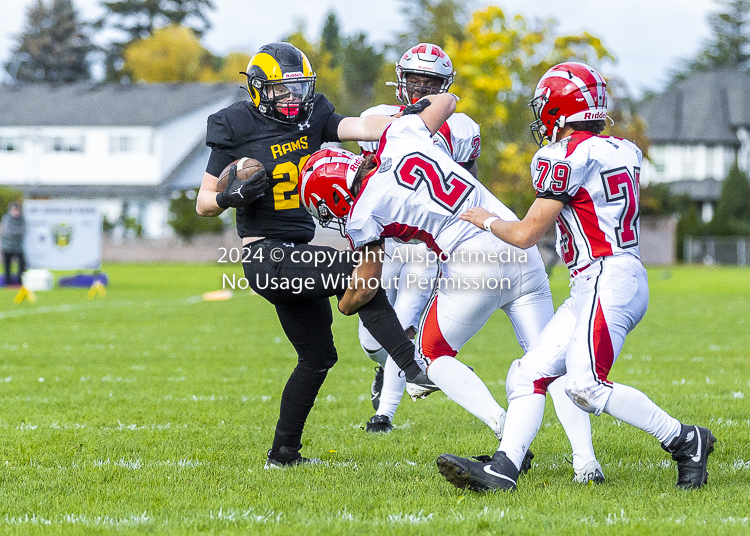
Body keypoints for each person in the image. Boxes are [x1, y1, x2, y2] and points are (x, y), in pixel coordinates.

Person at [436, 62, 716, 492]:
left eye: (545, 105)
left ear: (560, 109)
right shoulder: (623, 149)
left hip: (607, 277)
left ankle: (685, 439)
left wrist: (488, 221)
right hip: (604, 277)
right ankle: (503, 468)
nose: (541, 115)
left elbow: (527, 233)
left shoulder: (562, 155)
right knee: (526, 374)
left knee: (584, 385)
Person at [299, 92, 605, 483]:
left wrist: (343, 305)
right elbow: (448, 100)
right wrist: (411, 112)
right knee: (549, 361)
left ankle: (503, 429)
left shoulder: (361, 214)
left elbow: (365, 286)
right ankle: (586, 463)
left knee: (428, 357)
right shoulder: (401, 133)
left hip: (472, 260)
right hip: (510, 235)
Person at [196, 42, 426, 469]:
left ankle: (283, 455)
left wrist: (406, 118)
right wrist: (229, 196)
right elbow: (203, 203)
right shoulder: (234, 125)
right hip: (266, 257)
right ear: (259, 91)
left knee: (318, 356)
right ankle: (413, 369)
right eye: (284, 90)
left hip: (297, 254)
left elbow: (359, 126)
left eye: (300, 88)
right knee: (362, 273)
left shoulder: (313, 114)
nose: (294, 98)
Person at [356, 43, 481, 433]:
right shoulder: (376, 120)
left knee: (404, 321)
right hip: (385, 243)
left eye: (431, 82)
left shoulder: (461, 129)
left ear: (444, 86)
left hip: (427, 246)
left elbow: (467, 187)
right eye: (415, 80)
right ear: (400, 82)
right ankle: (412, 366)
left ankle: (384, 414)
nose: (421, 89)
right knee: (371, 341)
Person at [1, 202, 26, 286]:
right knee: (7, 266)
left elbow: (23, 229)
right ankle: (8, 283)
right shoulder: (6, 218)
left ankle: (20, 281)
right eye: (14, 210)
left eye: (17, 210)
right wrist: (16, 232)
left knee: (22, 263)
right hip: (7, 246)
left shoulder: (22, 219)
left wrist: (15, 232)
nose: (16, 212)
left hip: (18, 247)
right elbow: (8, 230)